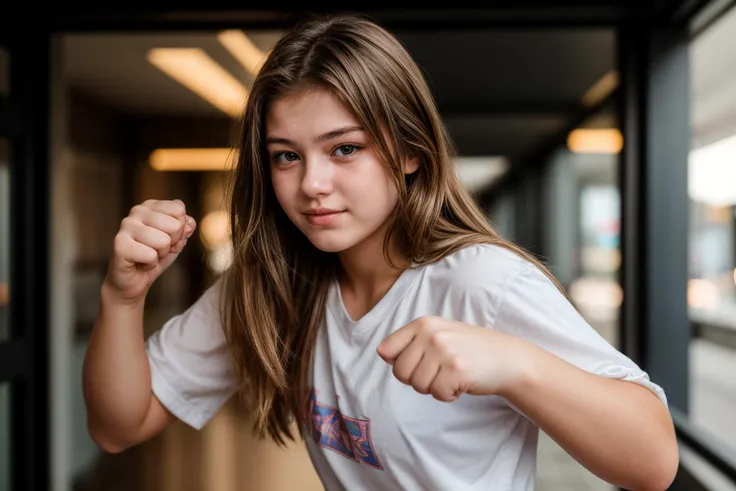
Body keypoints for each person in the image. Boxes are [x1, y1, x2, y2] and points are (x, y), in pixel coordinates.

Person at [83, 13, 679, 491]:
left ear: (412, 151)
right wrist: (123, 295)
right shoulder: (271, 285)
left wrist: (517, 365)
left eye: (344, 149)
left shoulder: (481, 282)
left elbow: (653, 463)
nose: (311, 183)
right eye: (286, 155)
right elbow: (119, 425)